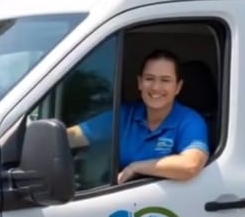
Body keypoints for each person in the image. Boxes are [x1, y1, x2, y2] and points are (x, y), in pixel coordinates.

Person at [67, 49, 209, 184]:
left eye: (165, 80)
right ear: (140, 83)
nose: (155, 87)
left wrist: (136, 167)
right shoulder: (124, 115)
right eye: (149, 78)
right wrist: (49, 138)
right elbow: (73, 136)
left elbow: (191, 165)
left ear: (178, 87)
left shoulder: (190, 121)